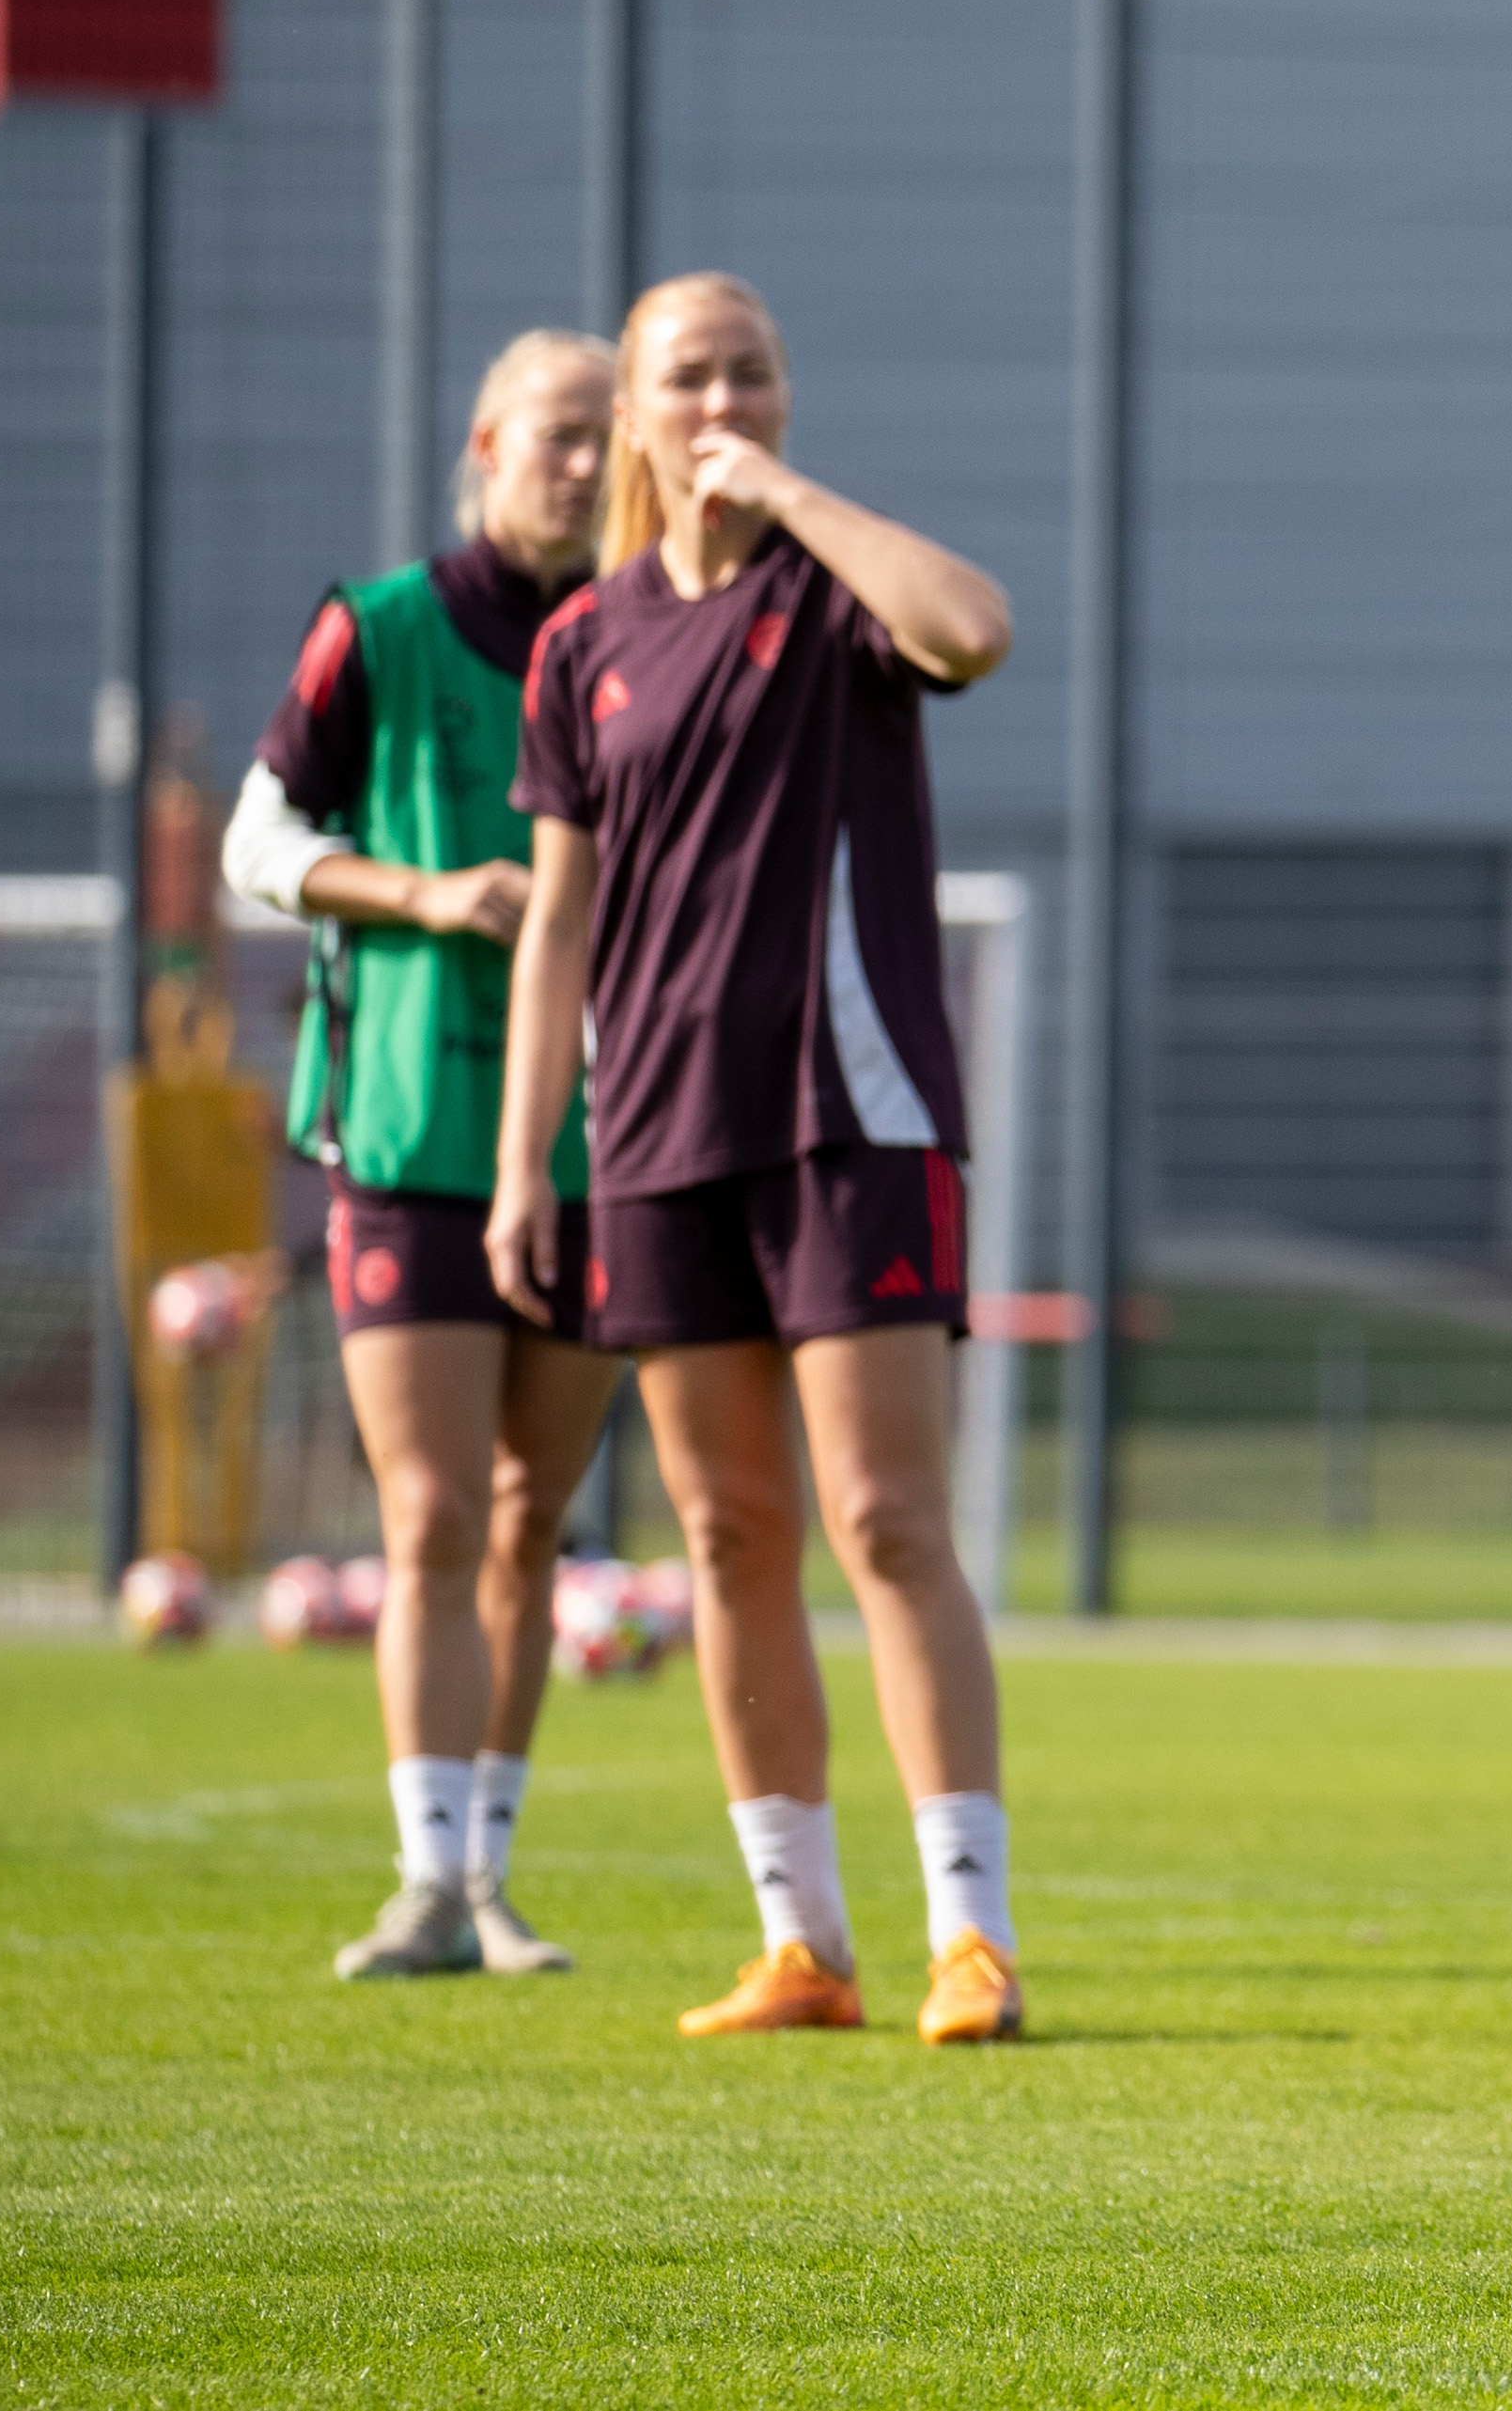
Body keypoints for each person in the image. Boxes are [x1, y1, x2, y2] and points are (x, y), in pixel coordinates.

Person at [488, 272, 1029, 2044]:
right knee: (728, 1535)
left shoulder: (838, 588)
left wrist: (787, 498)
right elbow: (559, 921)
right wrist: (524, 1164)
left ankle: (972, 1936)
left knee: (885, 1521)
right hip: (653, 1133)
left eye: (753, 372)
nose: (722, 399)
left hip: (851, 1120)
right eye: (688, 377)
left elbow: (975, 631)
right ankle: (801, 1942)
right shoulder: (584, 644)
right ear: (632, 411)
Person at [226, 328, 632, 1981]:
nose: (591, 462)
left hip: (603, 1147)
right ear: (486, 440)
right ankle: (426, 1883)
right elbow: (260, 840)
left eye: (614, 435)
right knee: (434, 1515)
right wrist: (426, 891)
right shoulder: (378, 627)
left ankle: (493, 1875)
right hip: (408, 1134)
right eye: (561, 432)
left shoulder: (639, 641)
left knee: (539, 1523)